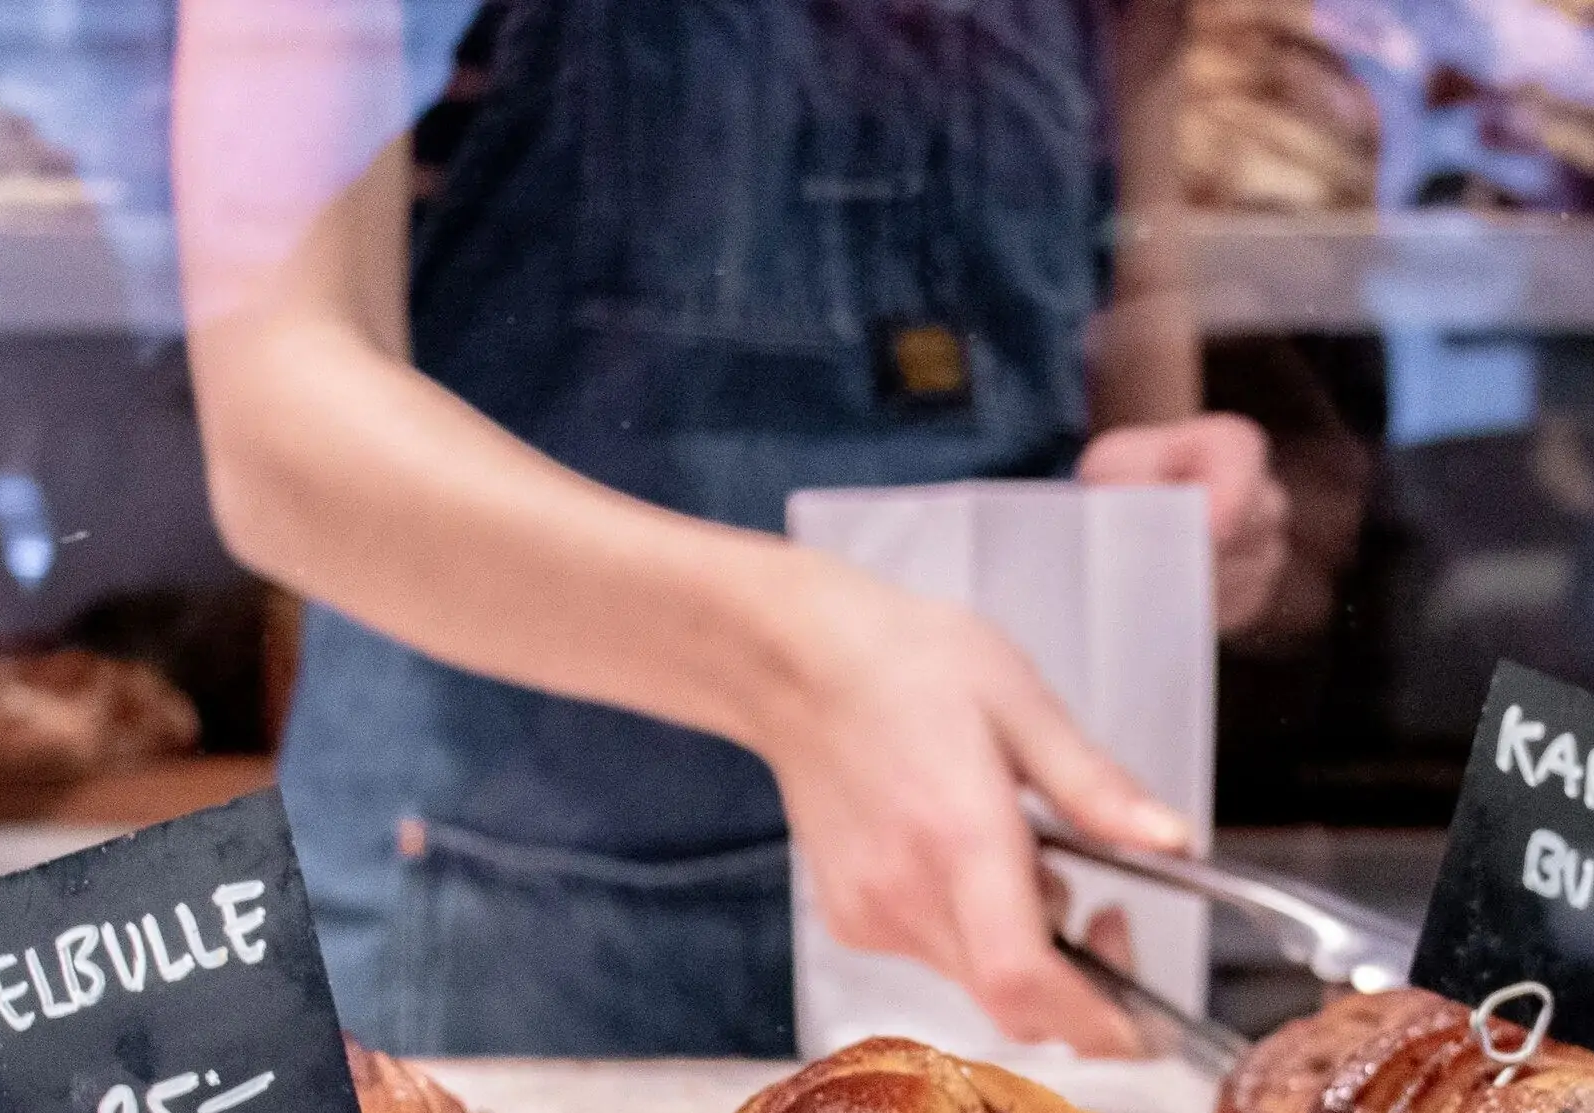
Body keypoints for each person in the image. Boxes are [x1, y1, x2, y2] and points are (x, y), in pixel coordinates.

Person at [172, 0, 1291, 1058]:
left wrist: (1163, 517)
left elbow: (1134, 299)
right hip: (500, 905)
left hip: (995, 884)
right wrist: (795, 666)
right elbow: (278, 435)